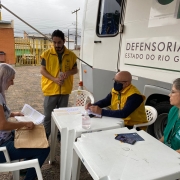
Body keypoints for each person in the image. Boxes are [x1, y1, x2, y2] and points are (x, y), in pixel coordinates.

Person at [0, 63, 50, 180]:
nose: (12, 83)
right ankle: (29, 175)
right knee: (44, 149)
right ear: (4, 79)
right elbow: (2, 125)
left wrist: (13, 114)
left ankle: (26, 168)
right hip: (2, 147)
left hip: (5, 138)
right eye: (11, 80)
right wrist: (24, 123)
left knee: (36, 136)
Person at [40, 29, 78, 137]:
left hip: (65, 91)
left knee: (62, 116)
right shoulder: (46, 54)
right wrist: (54, 79)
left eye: (59, 42)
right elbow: (42, 70)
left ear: (64, 41)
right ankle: (45, 137)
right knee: (48, 116)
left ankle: (61, 137)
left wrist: (68, 73)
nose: (57, 45)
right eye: (54, 42)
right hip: (50, 90)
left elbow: (75, 70)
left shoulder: (71, 55)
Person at [159, 78, 180, 153]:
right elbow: (166, 136)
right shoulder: (174, 110)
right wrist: (155, 145)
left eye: (173, 92)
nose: (169, 94)